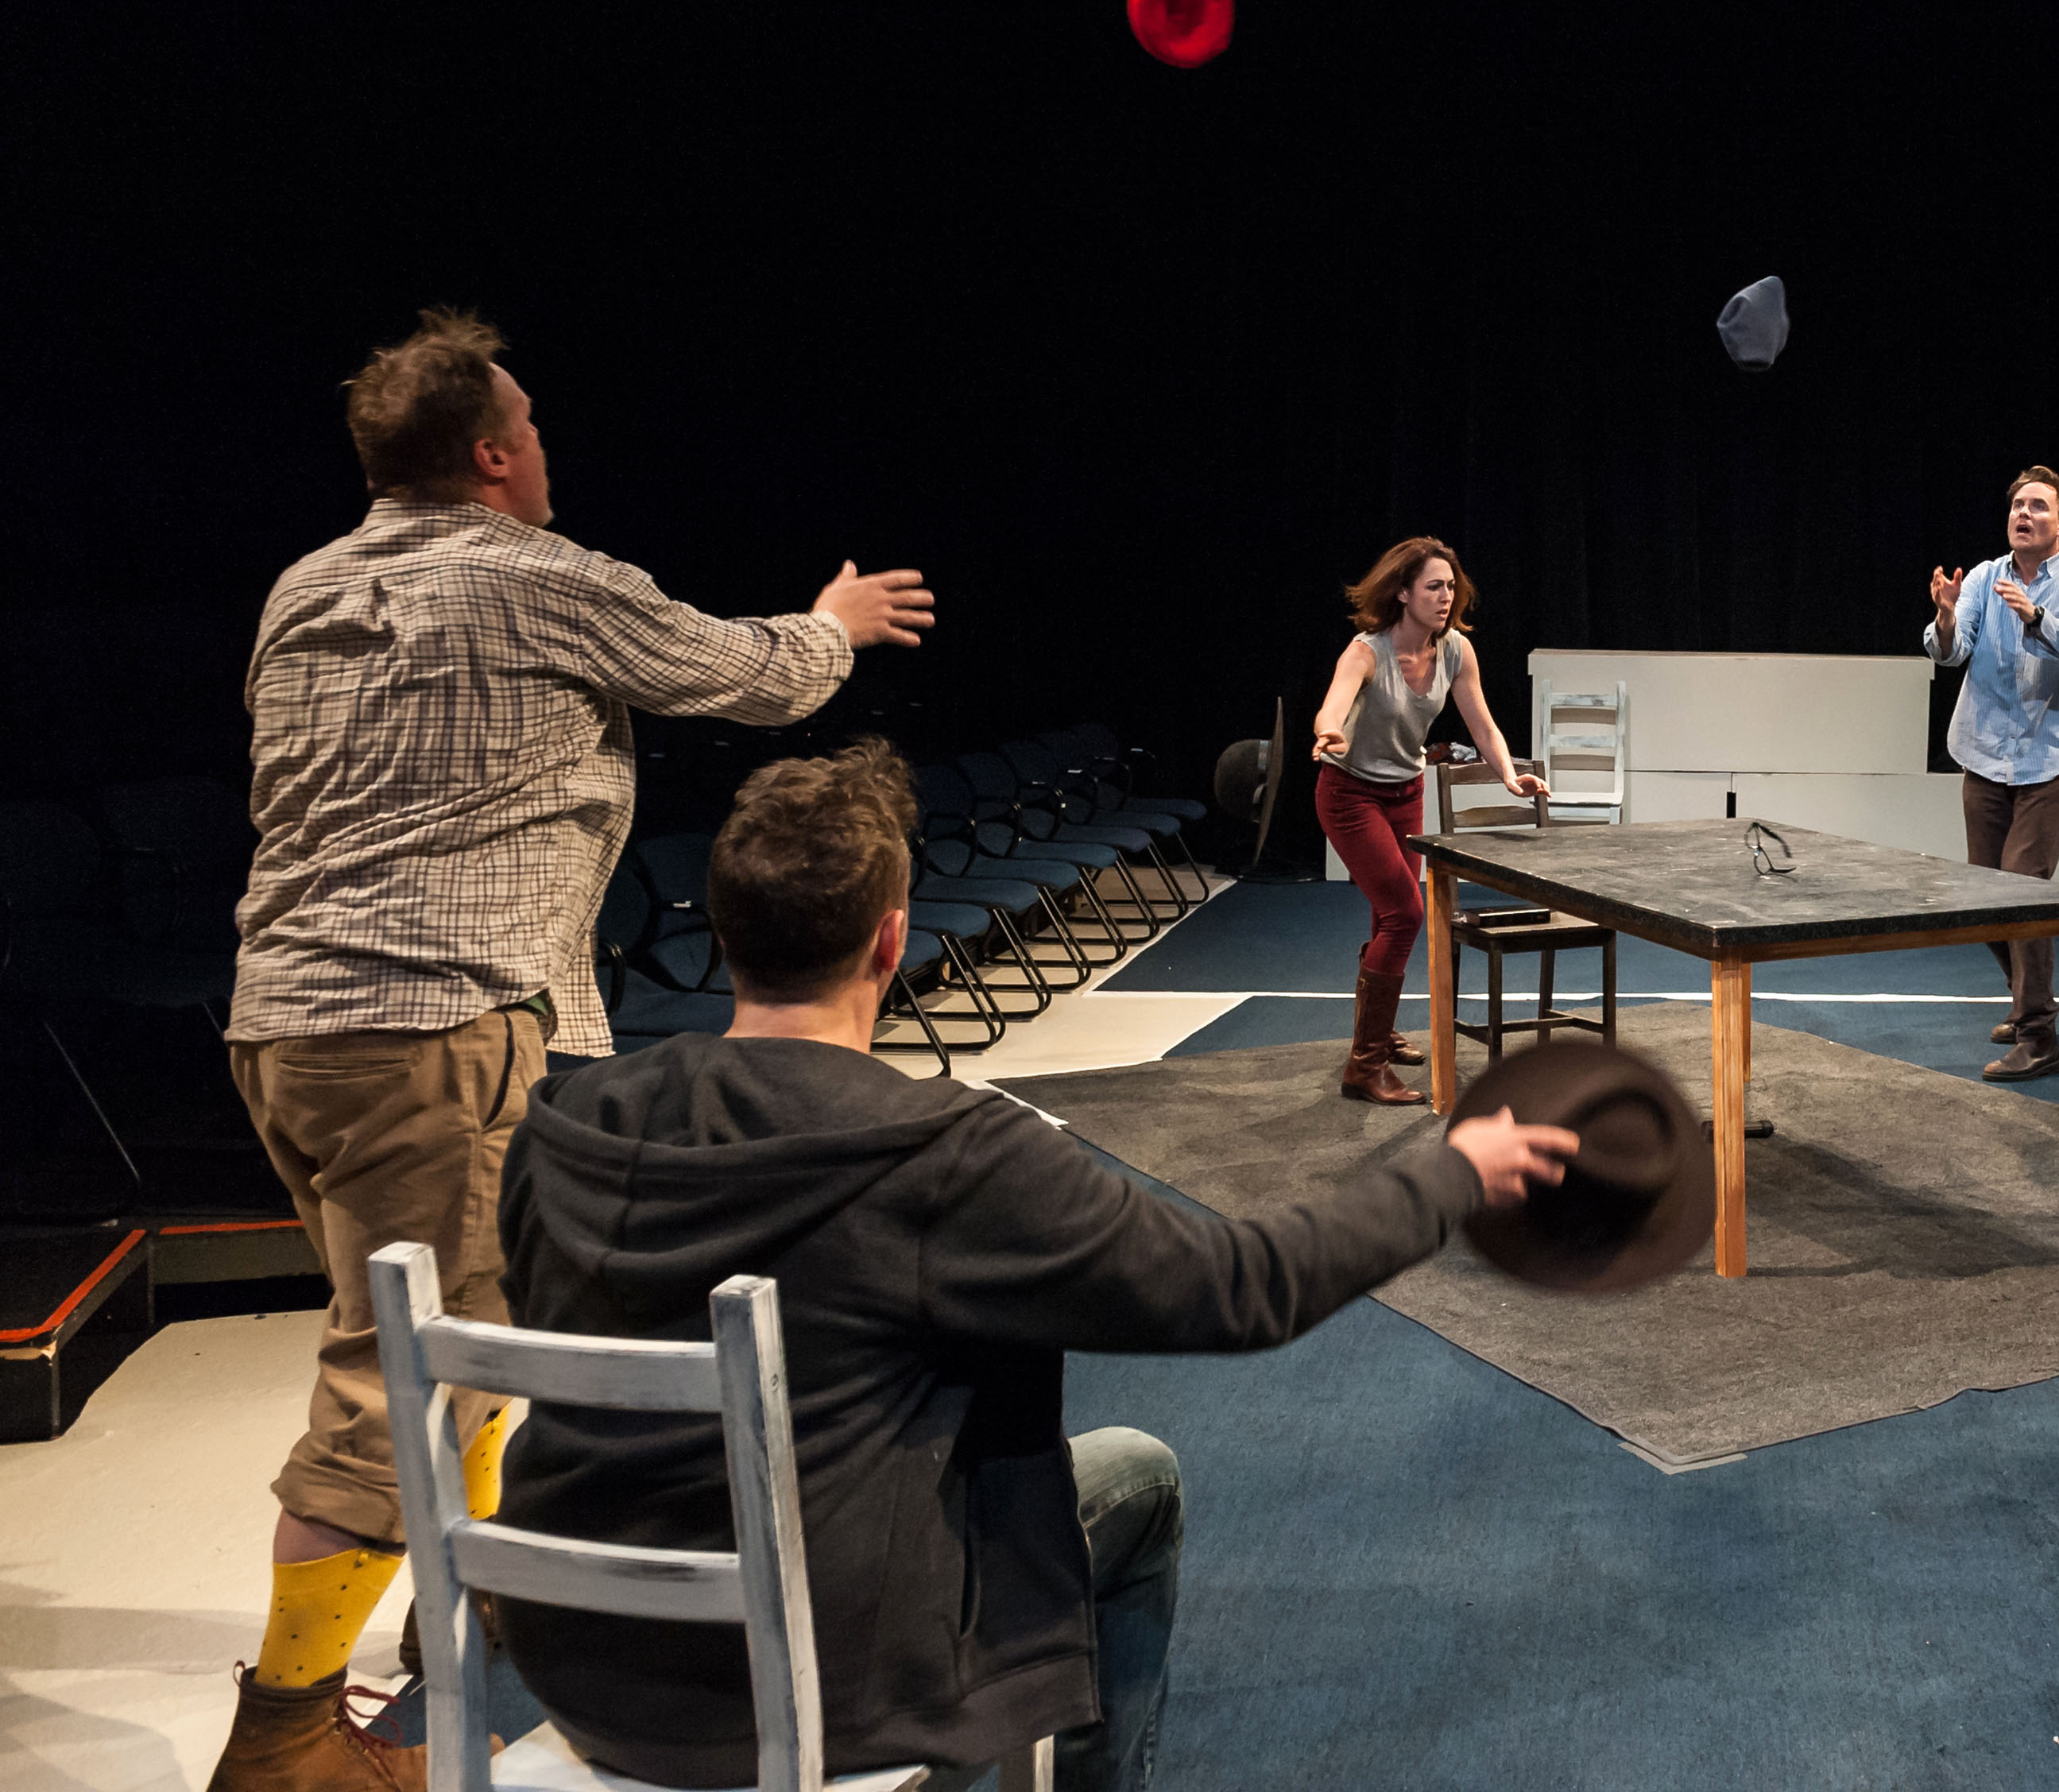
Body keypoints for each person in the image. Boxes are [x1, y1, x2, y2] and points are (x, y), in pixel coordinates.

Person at [492, 741, 1575, 1788]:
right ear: (892, 942)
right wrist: (1452, 1174)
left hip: (581, 1659)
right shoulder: (943, 1157)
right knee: (1134, 1476)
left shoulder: (566, 1123)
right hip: (828, 1683)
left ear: (721, 938)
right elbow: (1245, 1287)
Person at [209, 309, 935, 1792]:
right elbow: (748, 676)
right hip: (433, 1024)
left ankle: (458, 1614)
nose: (545, 447)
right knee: (388, 1380)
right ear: (489, 454)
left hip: (284, 1024)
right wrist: (835, 626)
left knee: (453, 1335)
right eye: (529, 426)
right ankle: (285, 1739)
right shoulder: (536, 578)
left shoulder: (303, 586)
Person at [1310, 537, 1546, 1105]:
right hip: (1349, 794)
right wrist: (1329, 729)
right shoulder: (1368, 651)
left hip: (1405, 791)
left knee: (1386, 916)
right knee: (1405, 913)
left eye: (1450, 587)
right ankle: (1363, 1067)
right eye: (1433, 587)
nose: (1446, 597)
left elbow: (1482, 724)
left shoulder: (1457, 651)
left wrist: (1509, 774)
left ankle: (1379, 1033)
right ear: (1402, 592)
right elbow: (1334, 701)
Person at [1925, 466, 2059, 1079]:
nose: (2023, 513)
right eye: (2016, 505)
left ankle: (2039, 1037)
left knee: (2020, 889)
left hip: (2051, 759)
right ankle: (2027, 1000)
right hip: (1982, 754)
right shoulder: (1984, 577)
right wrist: (1949, 617)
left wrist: (2037, 617)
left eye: (2037, 506)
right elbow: (1951, 653)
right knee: (1987, 901)